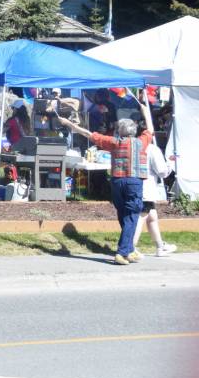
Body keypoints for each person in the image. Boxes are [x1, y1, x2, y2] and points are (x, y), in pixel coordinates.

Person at [60, 99, 155, 265]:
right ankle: (122, 252)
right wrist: (146, 112)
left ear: (120, 131)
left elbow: (89, 134)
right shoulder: (141, 142)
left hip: (117, 182)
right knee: (132, 215)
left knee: (124, 215)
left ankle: (129, 250)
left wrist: (69, 124)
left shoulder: (114, 142)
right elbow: (151, 129)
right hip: (134, 182)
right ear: (133, 131)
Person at [132, 141, 176, 258]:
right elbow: (162, 172)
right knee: (141, 217)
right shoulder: (151, 148)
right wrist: (170, 163)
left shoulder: (130, 145)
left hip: (131, 187)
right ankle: (131, 248)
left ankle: (160, 246)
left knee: (152, 217)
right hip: (146, 189)